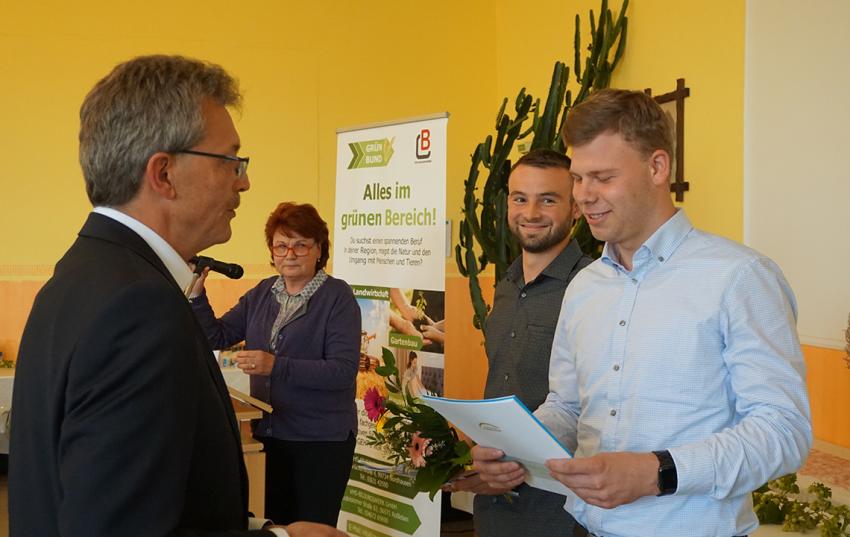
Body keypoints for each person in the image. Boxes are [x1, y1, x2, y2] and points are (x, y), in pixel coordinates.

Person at [9, 55, 343, 536]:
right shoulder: (138, 309)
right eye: (231, 160)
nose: (244, 180)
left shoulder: (81, 275)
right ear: (163, 174)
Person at [472, 89, 812, 537]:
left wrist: (658, 472)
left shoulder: (739, 277)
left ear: (657, 167)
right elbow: (569, 407)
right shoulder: (585, 287)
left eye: (603, 177)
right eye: (578, 178)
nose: (585, 196)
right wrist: (514, 449)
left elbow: (783, 431)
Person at [190, 201, 360, 527]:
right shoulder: (262, 293)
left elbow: (341, 371)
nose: (290, 254)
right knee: (275, 529)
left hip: (320, 442)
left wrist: (275, 365)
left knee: (312, 531)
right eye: (281, 246)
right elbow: (217, 335)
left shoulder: (338, 298)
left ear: (319, 249)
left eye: (300, 245)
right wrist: (197, 295)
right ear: (272, 250)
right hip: (268, 436)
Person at [452, 149, 591, 537]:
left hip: (560, 512)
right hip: (494, 504)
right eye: (519, 198)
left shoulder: (592, 288)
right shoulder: (507, 286)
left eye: (548, 199)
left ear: (576, 208)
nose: (530, 212)